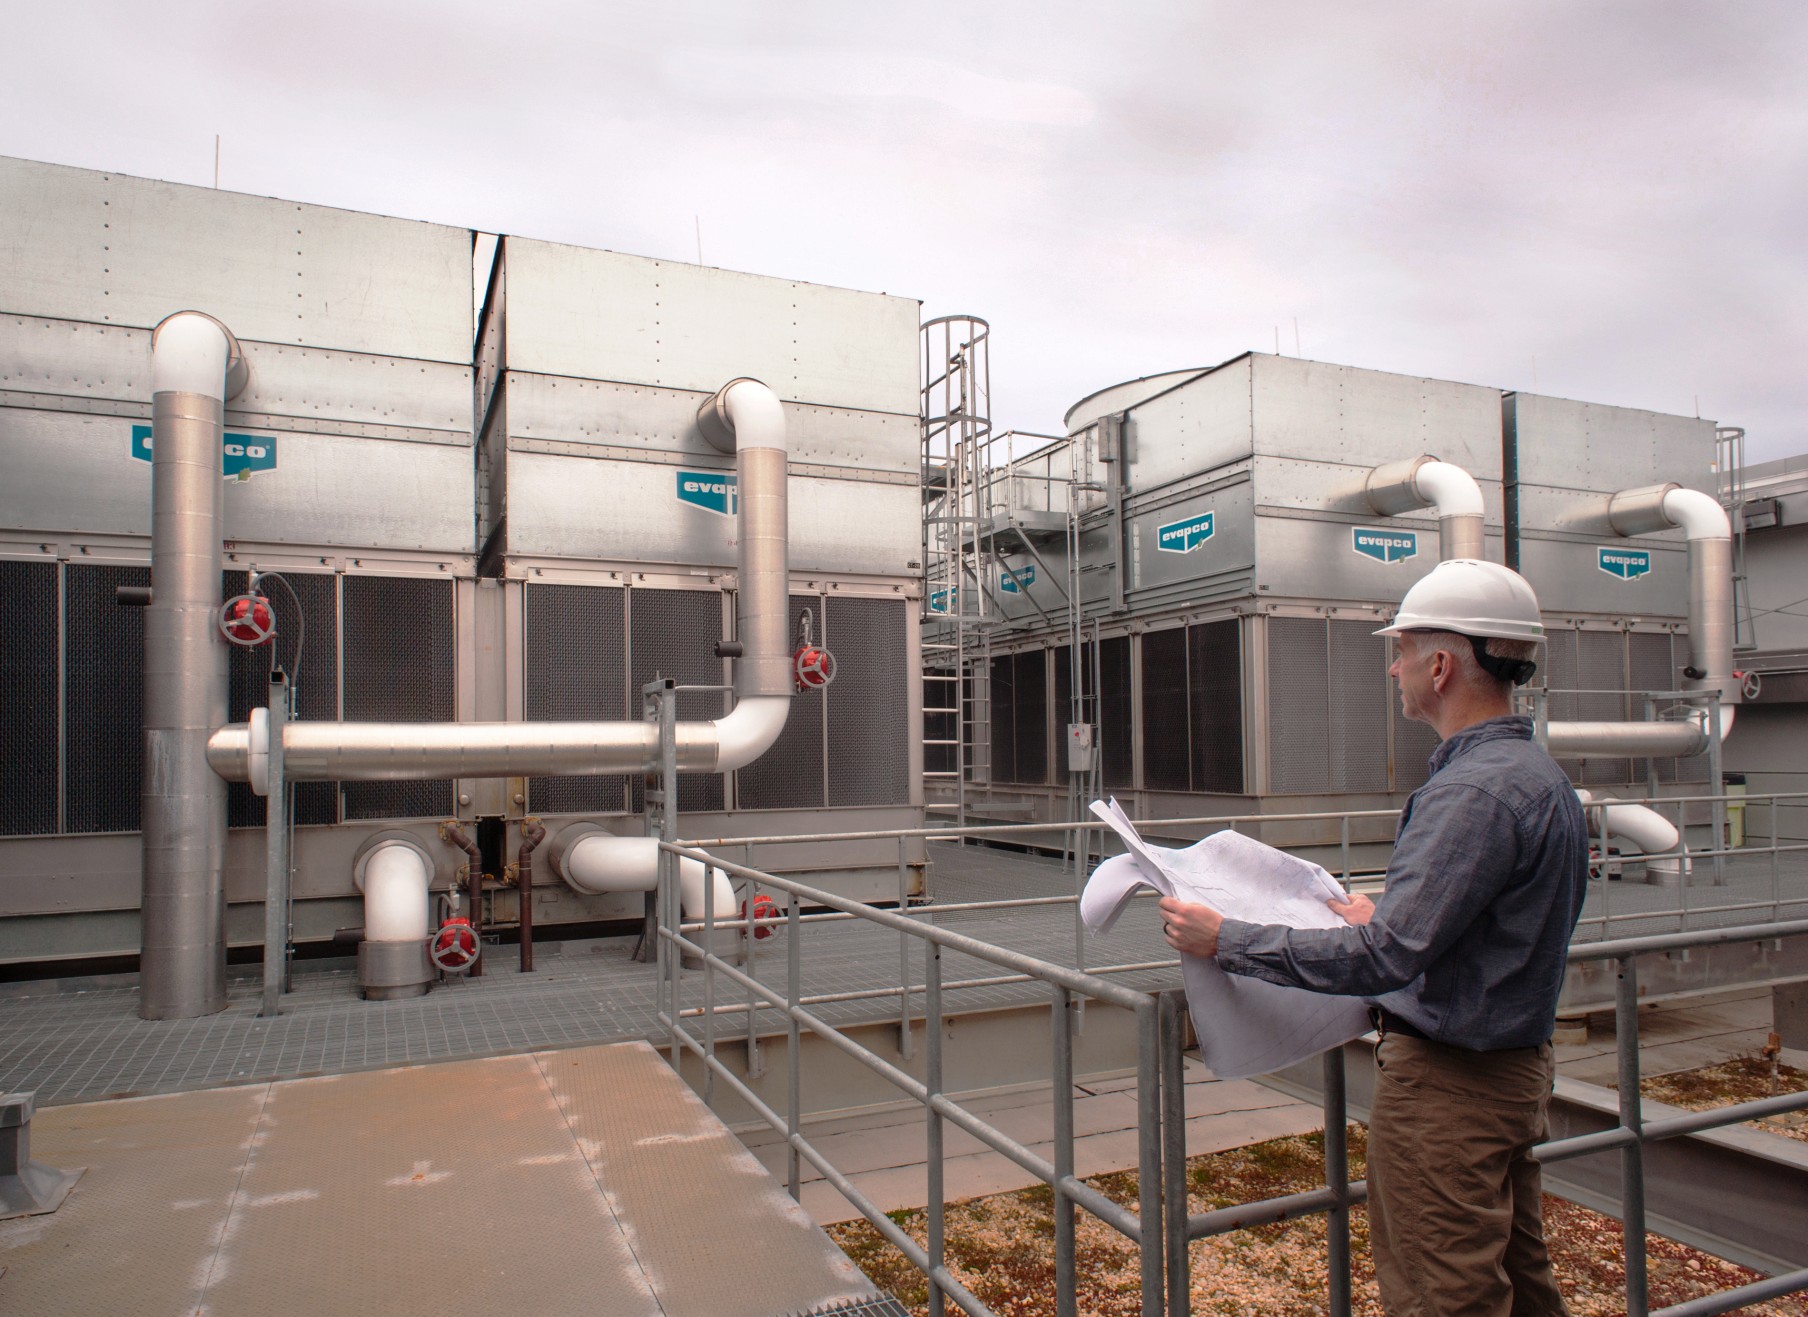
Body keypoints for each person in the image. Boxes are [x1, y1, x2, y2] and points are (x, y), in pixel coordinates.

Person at [1159, 559, 1588, 1317]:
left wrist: (1226, 937)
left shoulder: (1471, 791)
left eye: (1402, 650)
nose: (1394, 667)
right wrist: (1389, 918)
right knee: (1522, 1291)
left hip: (1452, 1095)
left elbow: (1382, 960)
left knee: (1443, 1297)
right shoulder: (1537, 775)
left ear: (1443, 664)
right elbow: (1489, 930)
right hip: (1515, 1073)